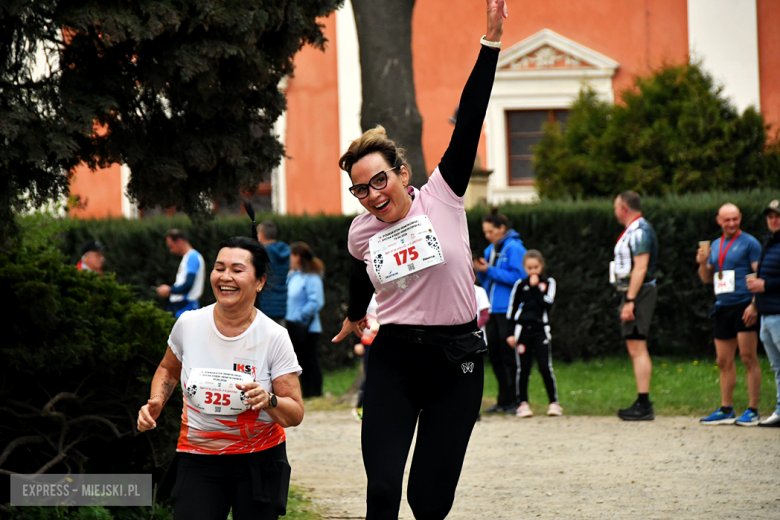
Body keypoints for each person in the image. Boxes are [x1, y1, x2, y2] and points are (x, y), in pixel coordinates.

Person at [331, 2, 507, 518]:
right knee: (383, 492)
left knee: (429, 500)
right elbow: (358, 270)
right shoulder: (360, 231)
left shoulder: (444, 194)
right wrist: (353, 312)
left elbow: (470, 116)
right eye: (360, 189)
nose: (372, 195)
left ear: (403, 174)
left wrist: (490, 43)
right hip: (396, 359)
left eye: (379, 180)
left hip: (458, 361)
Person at [137, 236, 304, 520]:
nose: (225, 277)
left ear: (260, 281)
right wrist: (156, 401)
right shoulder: (189, 324)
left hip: (258, 459)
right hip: (198, 455)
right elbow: (168, 369)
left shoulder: (274, 336)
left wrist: (268, 399)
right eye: (219, 268)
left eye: (237, 270)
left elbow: (295, 413)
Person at [696, 203, 761, 426]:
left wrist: (754, 305)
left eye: (735, 219)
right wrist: (703, 263)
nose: (731, 223)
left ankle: (753, 410)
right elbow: (706, 278)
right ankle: (726, 409)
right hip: (723, 306)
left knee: (748, 357)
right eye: (727, 220)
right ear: (719, 221)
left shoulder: (750, 243)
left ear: (740, 218)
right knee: (723, 360)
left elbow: (759, 275)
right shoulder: (715, 245)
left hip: (744, 305)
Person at [473, 209, 527, 414]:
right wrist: (481, 270)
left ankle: (515, 399)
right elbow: (487, 280)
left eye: (490, 231)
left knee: (508, 355)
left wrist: (490, 270)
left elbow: (519, 278)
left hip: (508, 309)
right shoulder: (490, 250)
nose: (487, 236)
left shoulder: (515, 248)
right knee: (494, 354)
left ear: (502, 229)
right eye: (485, 232)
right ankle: (503, 400)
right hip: (492, 308)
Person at [612, 191, 659, 421]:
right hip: (632, 290)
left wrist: (630, 299)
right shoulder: (634, 230)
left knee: (638, 345)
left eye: (615, 207)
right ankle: (641, 401)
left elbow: (640, 267)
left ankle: (644, 403)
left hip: (639, 292)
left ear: (624, 208)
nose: (614, 212)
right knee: (634, 347)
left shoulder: (640, 231)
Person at [506, 250, 561, 418]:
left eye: (536, 267)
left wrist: (536, 287)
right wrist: (510, 333)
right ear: (524, 268)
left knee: (545, 366)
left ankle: (554, 402)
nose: (533, 271)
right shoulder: (520, 285)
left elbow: (547, 304)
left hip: (540, 330)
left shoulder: (548, 283)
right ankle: (522, 403)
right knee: (523, 368)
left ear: (541, 266)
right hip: (522, 330)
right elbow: (512, 309)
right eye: (529, 268)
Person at [748, 199, 780, 426]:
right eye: (770, 216)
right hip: (766, 313)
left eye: (777, 216)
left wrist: (765, 286)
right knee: (777, 366)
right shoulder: (768, 242)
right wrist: (755, 301)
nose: (774, 220)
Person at [285, 241, 325, 398]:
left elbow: (316, 301)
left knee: (310, 361)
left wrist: (301, 316)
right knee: (300, 362)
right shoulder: (292, 276)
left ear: (297, 256)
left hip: (308, 328)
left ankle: (315, 392)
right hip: (293, 326)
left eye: (290, 256)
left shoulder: (312, 277)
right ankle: (306, 393)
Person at [157, 229, 206, 318]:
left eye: (171, 246)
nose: (171, 251)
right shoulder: (187, 258)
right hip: (183, 307)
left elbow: (188, 284)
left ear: (179, 241)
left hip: (187, 307)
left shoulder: (192, 257)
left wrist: (169, 290)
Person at [256, 221, 290, 325]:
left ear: (261, 236)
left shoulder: (263, 253)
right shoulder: (285, 252)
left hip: (265, 303)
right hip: (281, 303)